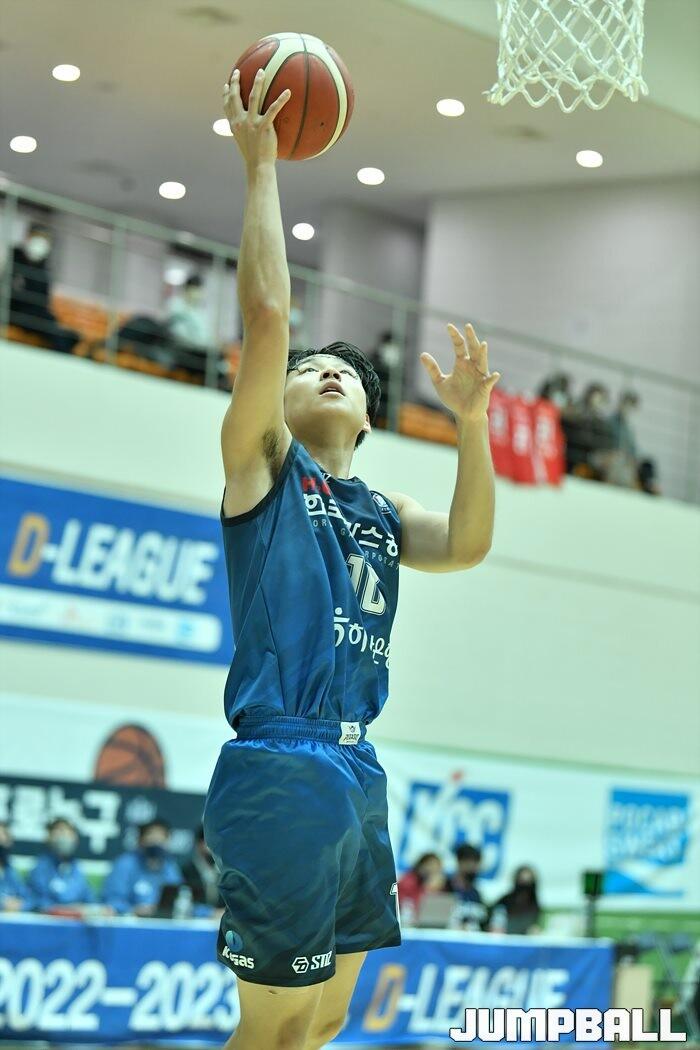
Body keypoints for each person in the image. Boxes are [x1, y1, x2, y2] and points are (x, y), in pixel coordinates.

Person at [201, 67, 500, 1050]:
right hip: (280, 762)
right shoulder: (264, 470)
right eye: (305, 371)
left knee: (326, 1020)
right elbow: (269, 320)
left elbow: (467, 543)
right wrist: (261, 167)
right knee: (273, 1029)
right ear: (276, 402)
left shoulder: (383, 508)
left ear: (368, 417)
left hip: (357, 766)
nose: (325, 370)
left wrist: (470, 427)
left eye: (345, 372)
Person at [5, 222, 80, 353]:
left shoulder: (43, 271)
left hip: (36, 315)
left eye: (45, 239)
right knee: (55, 334)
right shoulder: (13, 261)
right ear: (27, 238)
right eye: (38, 237)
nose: (40, 243)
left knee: (72, 336)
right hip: (15, 313)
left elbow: (44, 302)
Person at [101, 818, 182, 916]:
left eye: (162, 837)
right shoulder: (125, 864)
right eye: (151, 835)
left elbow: (179, 896)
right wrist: (132, 909)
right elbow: (112, 900)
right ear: (140, 840)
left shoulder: (169, 866)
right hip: (130, 920)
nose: (157, 841)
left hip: (162, 920)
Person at [27, 818, 95, 911]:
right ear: (49, 837)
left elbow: (89, 899)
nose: (65, 837)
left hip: (76, 918)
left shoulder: (77, 867)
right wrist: (63, 909)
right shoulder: (41, 867)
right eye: (60, 832)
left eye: (69, 833)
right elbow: (36, 900)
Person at [445, 844, 489, 932]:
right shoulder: (445, 887)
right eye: (470, 862)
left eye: (476, 863)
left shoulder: (475, 894)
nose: (474, 867)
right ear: (459, 862)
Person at [180, 825, 223, 913]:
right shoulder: (187, 870)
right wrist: (209, 913)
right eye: (208, 842)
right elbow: (183, 902)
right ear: (198, 844)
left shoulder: (224, 870)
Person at [489, 865, 542, 935]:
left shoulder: (534, 905)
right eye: (522, 881)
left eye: (528, 881)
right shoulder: (505, 901)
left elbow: (534, 926)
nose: (525, 885)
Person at [397, 852, 444, 926]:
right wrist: (428, 888)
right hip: (405, 922)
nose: (432, 870)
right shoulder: (408, 881)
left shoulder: (433, 884)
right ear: (421, 865)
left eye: (437, 868)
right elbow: (410, 906)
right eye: (430, 866)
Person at [0, 821, 33, 912]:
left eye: (3, 840)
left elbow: (30, 899)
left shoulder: (10, 870)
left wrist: (21, 905)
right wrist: (2, 903)